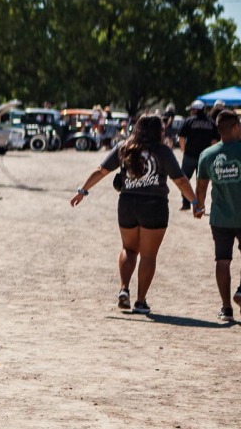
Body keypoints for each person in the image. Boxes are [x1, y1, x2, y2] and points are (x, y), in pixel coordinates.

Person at [70, 114, 199, 315]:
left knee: (129, 249)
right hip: (154, 205)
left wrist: (82, 191)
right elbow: (180, 180)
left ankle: (124, 289)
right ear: (158, 132)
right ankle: (140, 302)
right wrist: (194, 202)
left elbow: (101, 170)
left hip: (127, 203)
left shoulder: (124, 147)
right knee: (148, 255)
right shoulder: (162, 151)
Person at [192, 108, 241, 320]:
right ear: (237, 127)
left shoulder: (207, 155)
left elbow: (201, 187)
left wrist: (199, 206)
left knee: (222, 260)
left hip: (220, 218)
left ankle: (226, 308)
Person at [178, 100, 218, 210]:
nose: (191, 112)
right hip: (204, 157)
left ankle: (186, 203)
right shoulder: (211, 122)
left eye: (192, 110)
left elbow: (181, 137)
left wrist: (184, 150)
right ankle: (200, 205)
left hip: (189, 156)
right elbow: (214, 141)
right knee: (202, 182)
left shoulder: (189, 121)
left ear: (195, 110)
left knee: (184, 179)